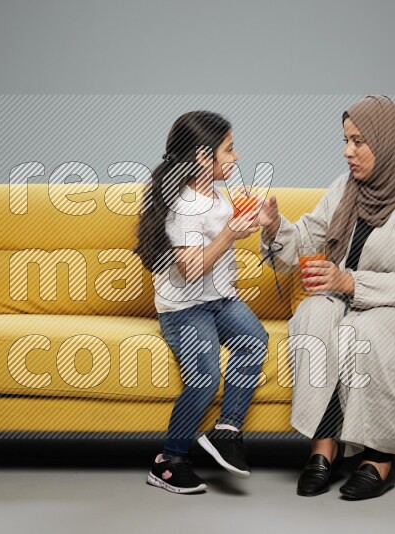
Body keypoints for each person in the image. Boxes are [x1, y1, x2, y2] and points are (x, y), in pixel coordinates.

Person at [258, 95, 395, 500]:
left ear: (387, 143)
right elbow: (303, 241)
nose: (347, 151)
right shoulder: (346, 188)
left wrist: (349, 282)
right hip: (348, 297)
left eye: (358, 141)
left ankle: (379, 458)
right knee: (313, 312)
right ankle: (323, 444)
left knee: (363, 331)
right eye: (346, 140)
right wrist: (274, 226)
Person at [134, 111, 269, 494]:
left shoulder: (215, 194)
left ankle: (226, 431)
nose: (236, 157)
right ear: (202, 158)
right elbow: (192, 271)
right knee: (204, 376)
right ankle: (169, 461)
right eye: (229, 150)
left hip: (220, 300)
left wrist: (254, 221)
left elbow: (222, 238)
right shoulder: (182, 207)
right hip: (185, 308)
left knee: (254, 340)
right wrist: (229, 234)